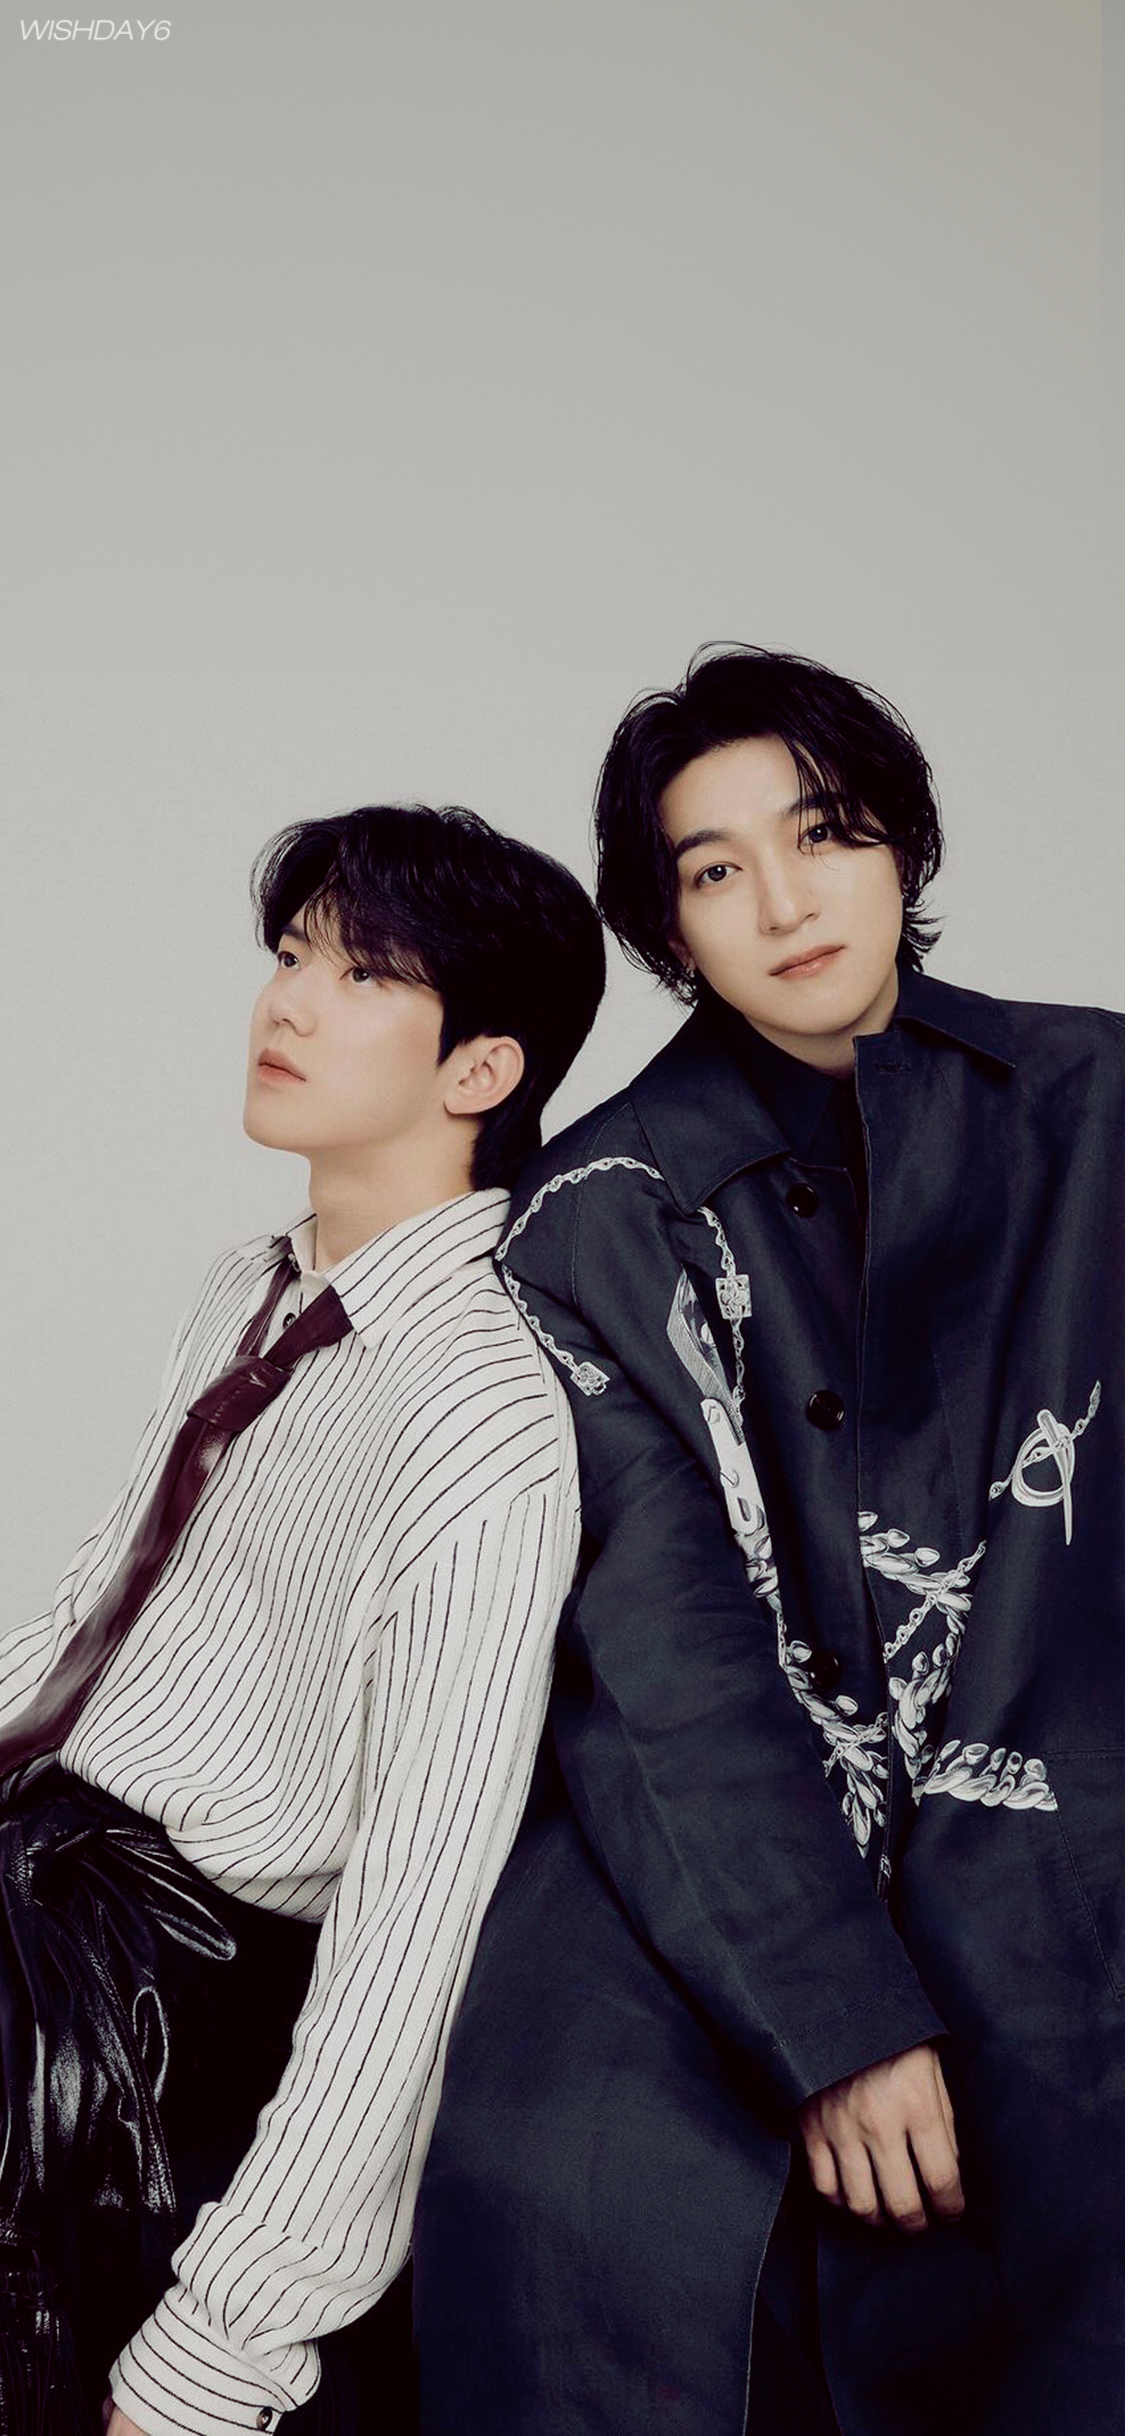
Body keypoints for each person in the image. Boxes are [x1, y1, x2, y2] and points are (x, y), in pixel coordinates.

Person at [413, 648, 1125, 2436]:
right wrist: (836, 2017)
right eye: (715, 869)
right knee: (597, 2214)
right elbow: (660, 1657)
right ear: (665, 926)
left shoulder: (1101, 1103)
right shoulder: (596, 1213)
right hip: (726, 1865)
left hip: (1072, 1824)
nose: (786, 904)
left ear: (902, 846)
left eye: (822, 834)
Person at [0, 801, 604, 2435]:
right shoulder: (252, 1285)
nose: (287, 1002)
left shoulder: (478, 1407)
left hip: (160, 1999)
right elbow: (98, 1622)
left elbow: (415, 1916)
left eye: (363, 974)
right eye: (290, 955)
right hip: (41, 1882)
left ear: (480, 1069)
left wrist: (221, 2349)